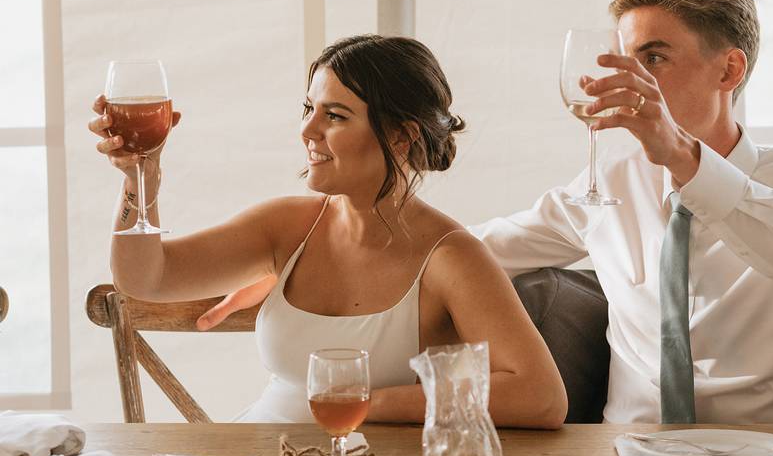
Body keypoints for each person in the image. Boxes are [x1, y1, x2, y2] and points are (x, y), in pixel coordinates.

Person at [198, 0, 773, 425]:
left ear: (730, 68)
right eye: (619, 56)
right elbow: (460, 252)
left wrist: (680, 156)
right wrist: (313, 264)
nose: (620, 79)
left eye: (654, 57)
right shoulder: (604, 188)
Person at [89, 34, 568, 428]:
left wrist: (366, 404)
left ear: (402, 135)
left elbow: (541, 396)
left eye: (335, 115)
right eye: (308, 108)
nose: (307, 130)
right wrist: (141, 180)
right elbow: (146, 278)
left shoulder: (450, 257)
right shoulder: (285, 227)